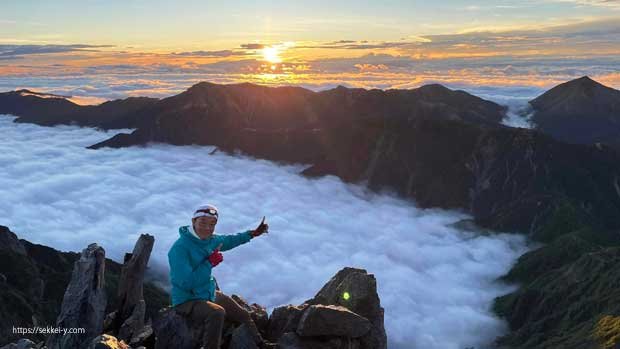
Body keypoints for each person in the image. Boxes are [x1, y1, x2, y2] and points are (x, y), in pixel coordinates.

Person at [168, 204, 274, 349]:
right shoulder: (180, 248)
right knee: (217, 313)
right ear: (193, 222)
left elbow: (230, 240)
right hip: (187, 299)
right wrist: (209, 263)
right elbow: (186, 283)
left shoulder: (210, 240)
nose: (207, 228)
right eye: (202, 222)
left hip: (206, 292)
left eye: (212, 224)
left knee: (242, 314)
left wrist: (252, 234)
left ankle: (261, 344)